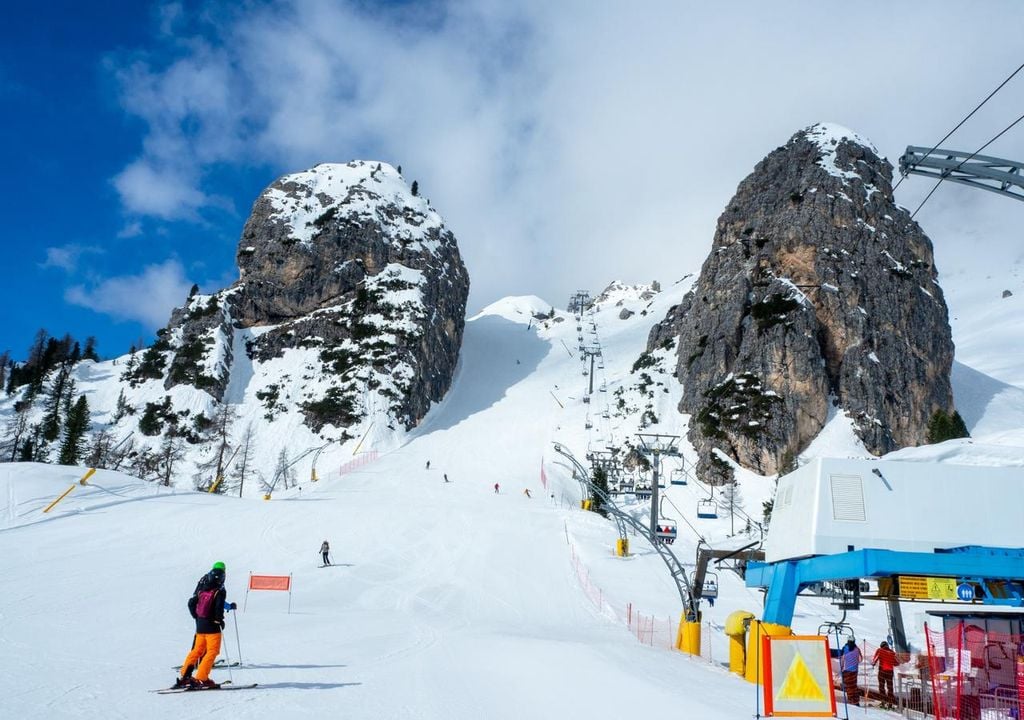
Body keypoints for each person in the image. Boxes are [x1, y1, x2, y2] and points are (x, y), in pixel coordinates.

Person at [175, 562, 236, 689]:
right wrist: (219, 621)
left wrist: (197, 617)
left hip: (200, 624)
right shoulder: (220, 587)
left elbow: (191, 602)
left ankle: (185, 676)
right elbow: (218, 606)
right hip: (212, 626)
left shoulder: (204, 583)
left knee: (197, 650)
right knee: (212, 651)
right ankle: (202, 678)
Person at [872, 640, 898, 709]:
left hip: (882, 671)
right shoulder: (892, 652)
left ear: (881, 646)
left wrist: (873, 664)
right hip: (890, 672)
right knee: (890, 687)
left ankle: (883, 701)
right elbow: (896, 663)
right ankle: (890, 703)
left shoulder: (880, 650)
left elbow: (874, 660)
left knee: (881, 686)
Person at [840, 638, 863, 706]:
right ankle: (856, 701)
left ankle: (852, 701)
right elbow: (860, 659)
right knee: (853, 685)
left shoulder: (845, 648)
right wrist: (855, 662)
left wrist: (841, 667)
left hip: (846, 670)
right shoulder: (857, 649)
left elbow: (842, 658)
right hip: (854, 670)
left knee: (848, 686)